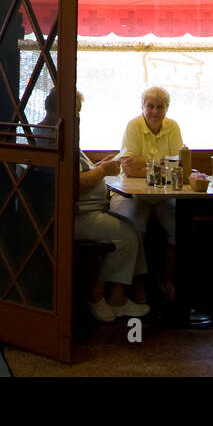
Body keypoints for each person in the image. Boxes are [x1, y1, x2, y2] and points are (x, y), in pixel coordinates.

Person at [51, 89, 151, 321]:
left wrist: (99, 164)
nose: (78, 118)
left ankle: (119, 297)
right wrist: (102, 171)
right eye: (76, 113)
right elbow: (73, 185)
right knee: (128, 235)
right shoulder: (58, 137)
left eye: (79, 114)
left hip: (90, 210)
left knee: (133, 227)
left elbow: (81, 171)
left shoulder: (64, 134)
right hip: (76, 216)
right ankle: (97, 296)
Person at [112, 85, 184, 301]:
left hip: (163, 194)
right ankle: (137, 284)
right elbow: (129, 168)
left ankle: (167, 280)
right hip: (133, 193)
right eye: (150, 106)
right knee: (132, 226)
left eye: (160, 107)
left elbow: (178, 165)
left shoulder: (173, 127)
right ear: (142, 107)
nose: (154, 111)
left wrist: (145, 164)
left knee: (179, 227)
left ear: (167, 109)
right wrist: (162, 165)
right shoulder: (133, 126)